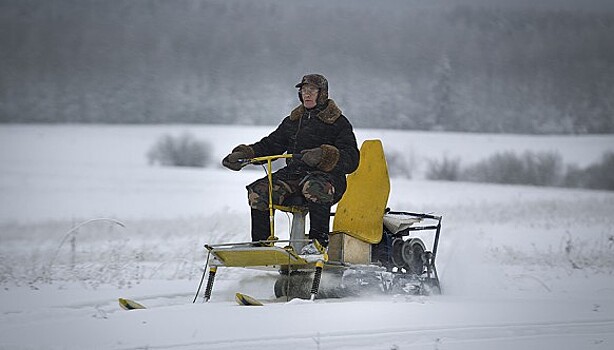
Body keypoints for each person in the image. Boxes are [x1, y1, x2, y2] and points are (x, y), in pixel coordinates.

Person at [222, 74, 360, 254]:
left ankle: (317, 244)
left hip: (329, 180)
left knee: (314, 187)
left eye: (311, 90)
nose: (306, 95)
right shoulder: (293, 121)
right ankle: (261, 246)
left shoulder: (338, 123)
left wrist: (323, 155)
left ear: (323, 93)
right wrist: (244, 154)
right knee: (259, 190)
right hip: (294, 175)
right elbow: (270, 145)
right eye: (303, 90)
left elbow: (352, 159)